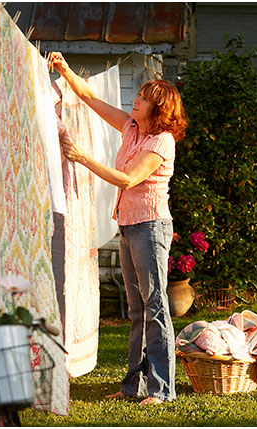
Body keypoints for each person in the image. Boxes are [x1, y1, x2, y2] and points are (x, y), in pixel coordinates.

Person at [48, 52, 186, 405]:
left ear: (159, 109)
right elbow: (91, 99)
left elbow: (128, 178)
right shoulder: (132, 128)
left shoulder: (161, 141)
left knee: (155, 307)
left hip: (150, 228)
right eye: (138, 95)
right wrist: (64, 69)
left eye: (142, 98)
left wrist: (81, 157)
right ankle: (133, 387)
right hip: (128, 225)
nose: (135, 100)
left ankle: (162, 389)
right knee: (137, 310)